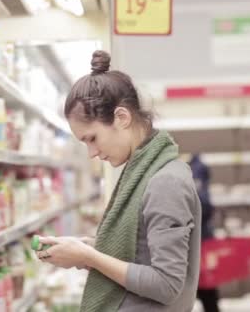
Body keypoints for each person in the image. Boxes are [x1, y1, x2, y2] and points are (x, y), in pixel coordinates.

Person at [35, 50, 202, 312]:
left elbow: (167, 284)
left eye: (92, 138)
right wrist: (89, 249)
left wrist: (90, 256)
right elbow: (141, 252)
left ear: (121, 118)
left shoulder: (164, 182)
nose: (92, 152)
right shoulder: (142, 171)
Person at [189, 154, 220, 312]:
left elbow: (204, 206)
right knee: (208, 293)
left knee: (205, 291)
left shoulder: (196, 170)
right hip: (201, 241)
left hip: (198, 243)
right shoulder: (196, 169)